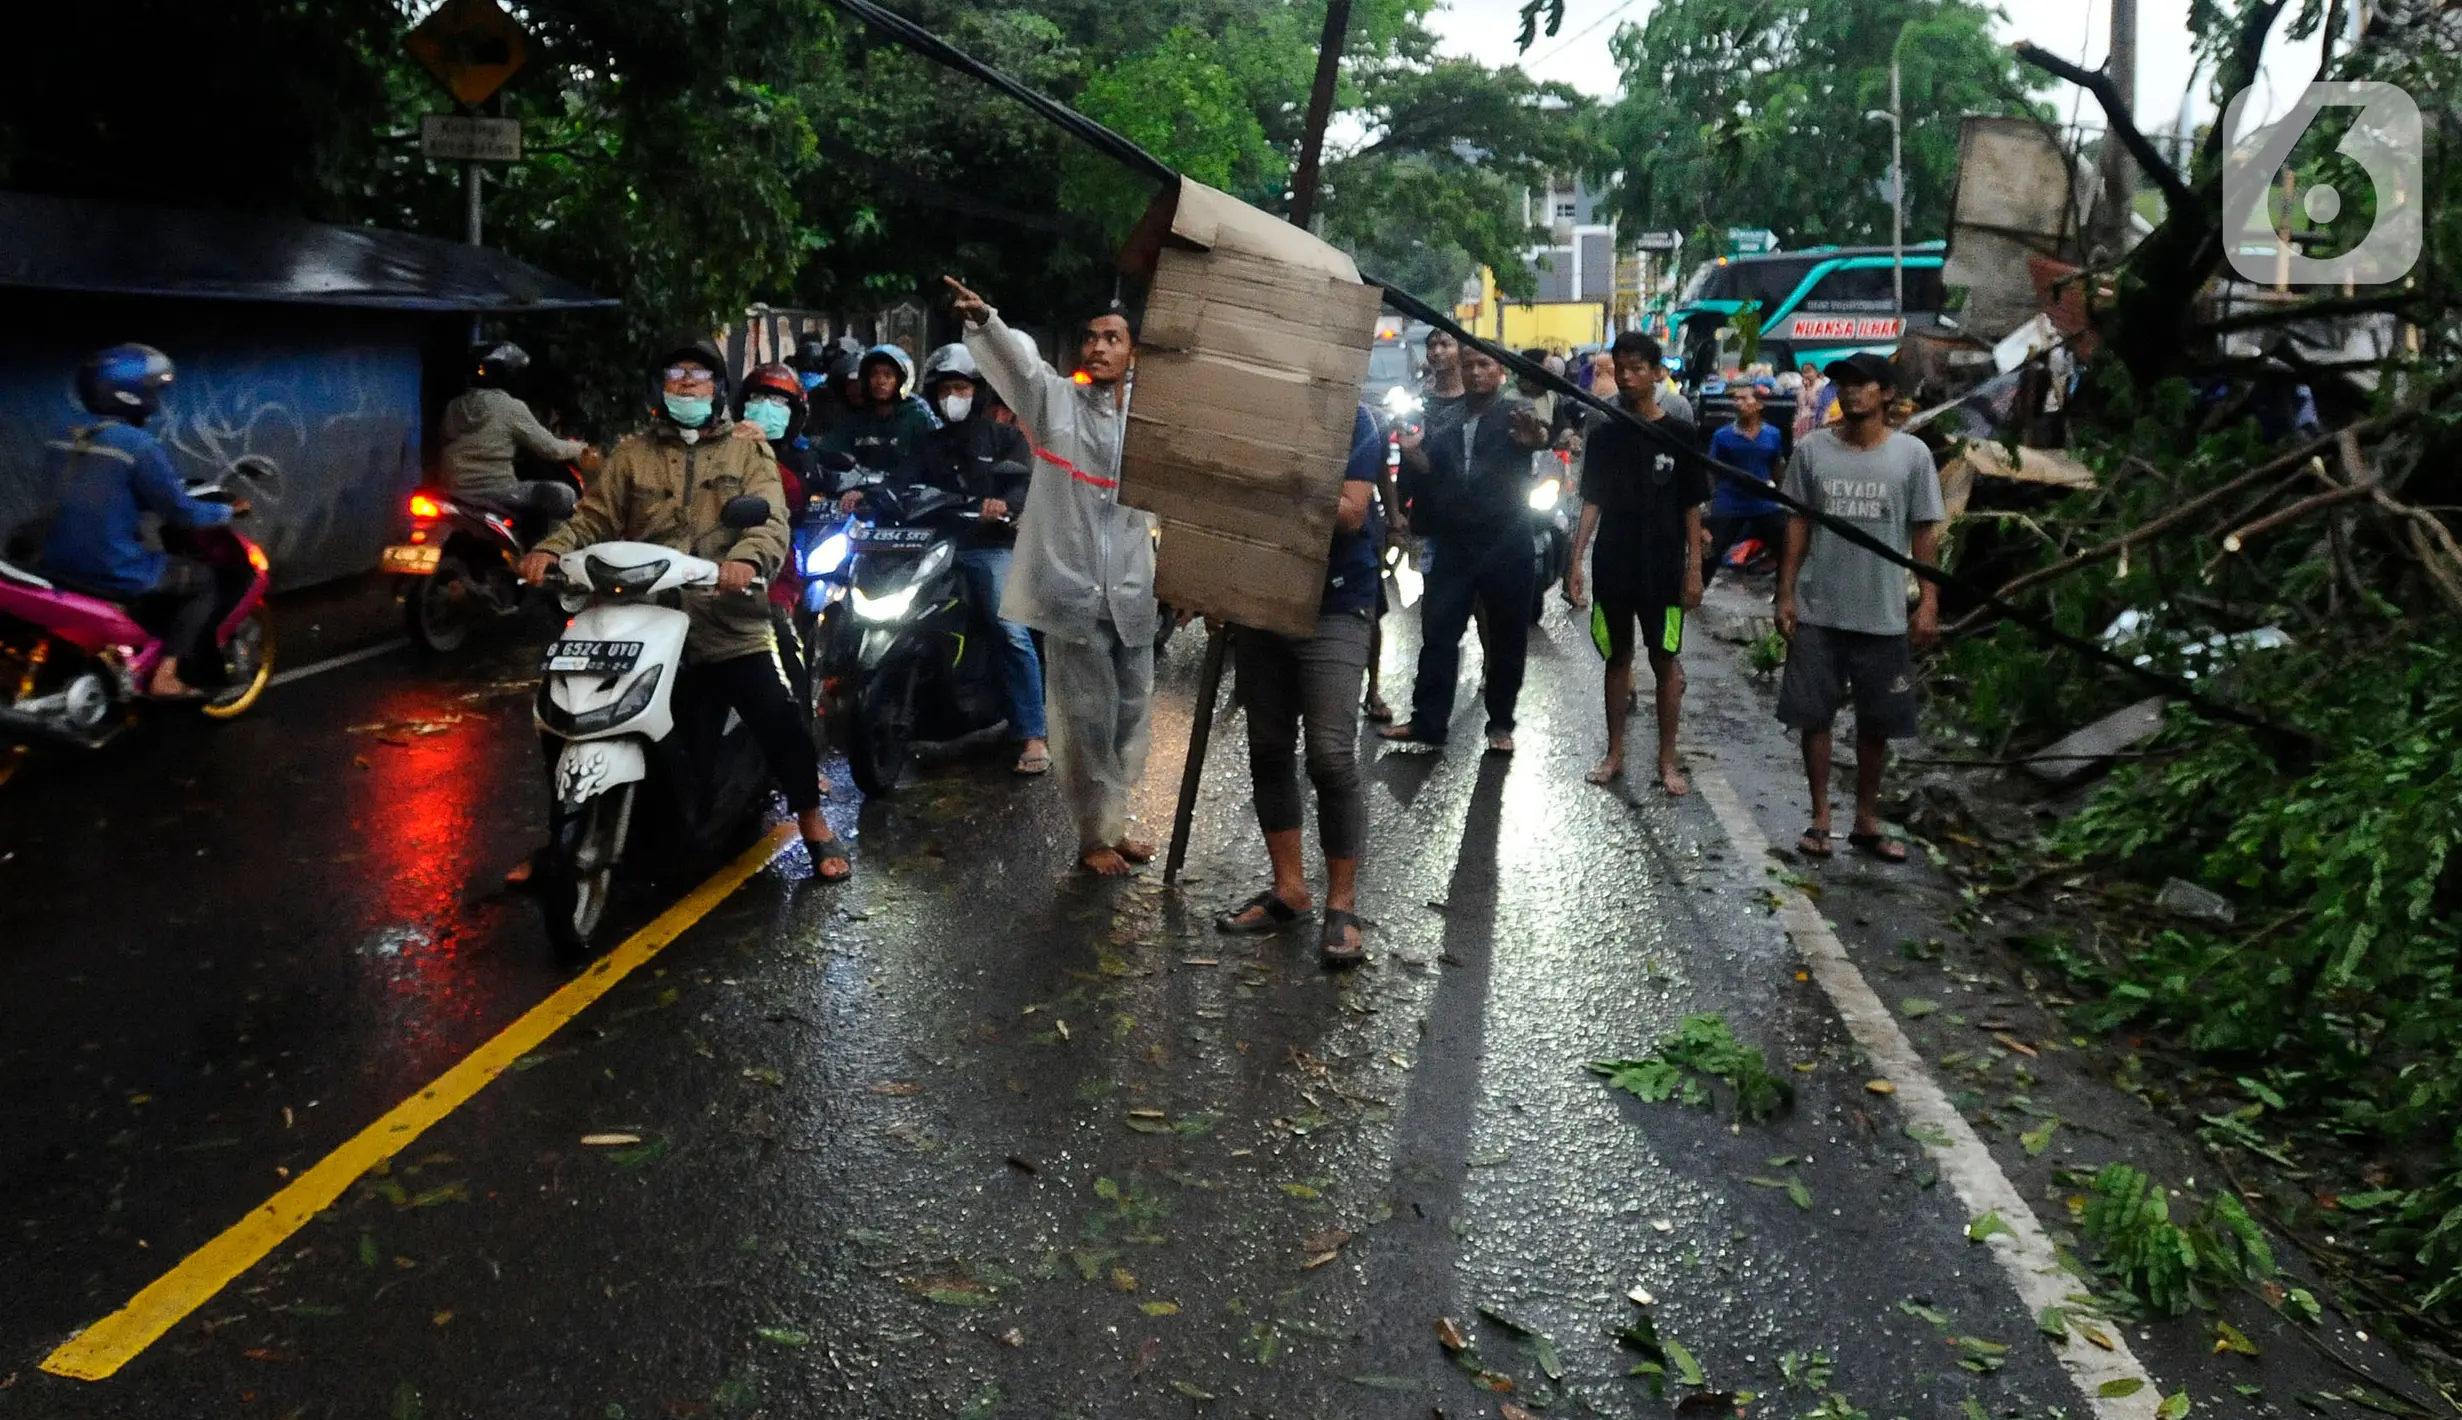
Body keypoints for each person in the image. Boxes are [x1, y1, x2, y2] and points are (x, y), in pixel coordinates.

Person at [516, 334, 849, 881]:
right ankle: (563, 832)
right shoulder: (632, 453)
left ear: (718, 389)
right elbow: (594, 518)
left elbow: (768, 522)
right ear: (660, 388)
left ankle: (810, 818)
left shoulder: (748, 451)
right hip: (636, 614)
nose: (687, 383)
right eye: (676, 375)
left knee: (777, 712)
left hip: (723, 618)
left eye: (699, 375)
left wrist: (744, 561)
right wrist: (552, 547)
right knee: (564, 709)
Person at [945, 276, 1159, 876]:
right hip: (1073, 592)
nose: (1099, 348)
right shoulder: (1053, 402)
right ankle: (1093, 838)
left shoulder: (1151, 417)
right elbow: (1019, 366)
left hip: (1136, 592)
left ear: (1132, 351)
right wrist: (986, 321)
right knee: (1086, 720)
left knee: (1130, 715)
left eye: (1112, 338)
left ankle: (1115, 827)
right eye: (1090, 338)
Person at [1217, 404, 1385, 966]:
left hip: (1334, 602)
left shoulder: (1353, 420)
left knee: (1331, 756)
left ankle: (1343, 906)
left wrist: (1261, 488)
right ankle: (1289, 890)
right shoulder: (1248, 412)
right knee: (1268, 750)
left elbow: (1349, 513)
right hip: (1260, 598)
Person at [1774, 351, 1944, 865]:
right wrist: (1785, 592)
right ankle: (1821, 816)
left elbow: (1924, 531)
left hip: (1883, 611)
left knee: (1878, 722)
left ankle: (1865, 819)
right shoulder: (1812, 451)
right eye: (1843, 384)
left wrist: (1929, 600)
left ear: (1887, 394)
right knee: (1815, 716)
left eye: (1862, 383)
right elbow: (1798, 524)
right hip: (1819, 607)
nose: (1850, 392)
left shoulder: (1912, 456)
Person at [876, 341, 1051, 778]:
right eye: (945, 389)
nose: (953, 396)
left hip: (988, 547)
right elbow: (901, 480)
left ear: (978, 391)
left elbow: (1021, 485)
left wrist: (1002, 505)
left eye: (962, 387)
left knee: (1008, 627)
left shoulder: (1006, 439)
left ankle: (1032, 732)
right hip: (934, 548)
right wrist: (869, 495)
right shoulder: (929, 443)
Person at [39, 343, 250, 697]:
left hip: (53, 562)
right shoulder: (138, 446)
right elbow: (180, 512)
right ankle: (166, 676)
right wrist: (229, 510)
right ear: (132, 394)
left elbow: (91, 493)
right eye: (153, 389)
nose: (157, 398)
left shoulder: (61, 436)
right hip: (111, 567)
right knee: (201, 581)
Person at [1379, 343, 1551, 755]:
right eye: (1470, 365)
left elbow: (1540, 435)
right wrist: (1412, 452)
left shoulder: (1515, 412)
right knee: (1438, 632)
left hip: (1506, 541)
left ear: (1500, 372)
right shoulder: (1448, 417)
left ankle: (1501, 723)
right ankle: (1428, 722)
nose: (1476, 373)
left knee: (1508, 637)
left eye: (1484, 365)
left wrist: (1537, 439)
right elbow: (1431, 469)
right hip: (1454, 543)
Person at [1565, 331, 1709, 793]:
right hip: (1614, 563)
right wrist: (1575, 562)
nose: (1626, 378)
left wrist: (1694, 569)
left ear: (1656, 372)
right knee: (1617, 658)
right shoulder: (1605, 433)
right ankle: (1614, 753)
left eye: (1636, 369)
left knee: (1665, 659)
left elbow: (1692, 507)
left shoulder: (1680, 434)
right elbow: (1591, 502)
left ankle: (1667, 761)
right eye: (1619, 369)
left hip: (1663, 566)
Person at [437, 342, 593, 505]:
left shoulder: (453, 406)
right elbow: (550, 448)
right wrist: (579, 448)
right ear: (507, 375)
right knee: (565, 495)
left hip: (452, 491)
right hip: (497, 492)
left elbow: (445, 441)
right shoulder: (510, 407)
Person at [1704, 383, 1789, 583]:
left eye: (1744, 398)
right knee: (1711, 554)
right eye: (1737, 399)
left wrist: (1781, 493)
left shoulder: (1772, 434)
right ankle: (1693, 593)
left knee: (1786, 547)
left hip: (1762, 502)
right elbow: (1712, 469)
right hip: (1730, 502)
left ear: (1758, 404)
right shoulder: (1723, 435)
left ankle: (1784, 593)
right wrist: (1711, 498)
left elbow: (1776, 464)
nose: (1738, 403)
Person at [816, 347, 932, 481]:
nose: (880, 381)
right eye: (874, 375)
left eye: (888, 375)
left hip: (907, 496)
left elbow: (923, 465)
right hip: (860, 493)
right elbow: (829, 451)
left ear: (901, 380)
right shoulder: (855, 420)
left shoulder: (916, 418)